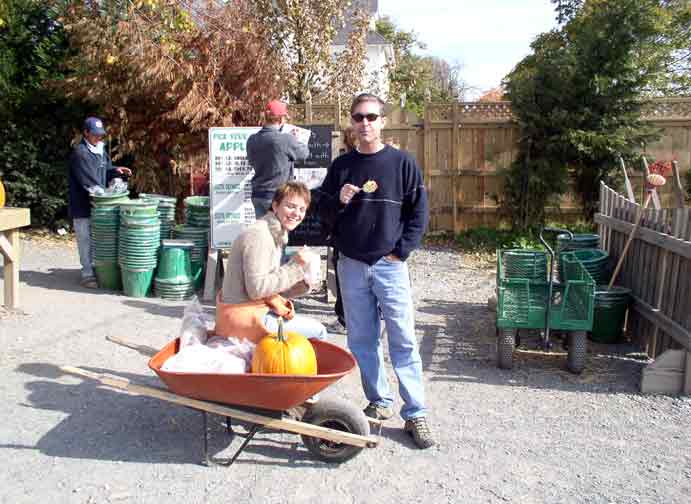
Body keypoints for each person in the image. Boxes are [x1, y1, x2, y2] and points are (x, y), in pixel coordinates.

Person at [317, 93, 434, 449]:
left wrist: (401, 252)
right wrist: (339, 199)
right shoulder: (341, 167)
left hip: (389, 266)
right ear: (351, 123)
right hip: (352, 265)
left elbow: (419, 212)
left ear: (382, 121)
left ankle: (415, 412)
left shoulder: (402, 163)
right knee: (362, 340)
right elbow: (322, 212)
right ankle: (380, 401)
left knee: (402, 339)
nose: (364, 123)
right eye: (358, 117)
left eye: (371, 117)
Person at [217, 181, 327, 342]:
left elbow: (268, 288)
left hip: (250, 310)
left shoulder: (274, 233)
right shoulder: (259, 236)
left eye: (302, 209)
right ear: (275, 206)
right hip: (243, 316)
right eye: (291, 206)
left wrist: (304, 282)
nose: (297, 213)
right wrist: (296, 267)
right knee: (319, 331)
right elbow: (257, 290)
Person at [68, 117, 132, 288]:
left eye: (100, 135)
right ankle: (87, 274)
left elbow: (106, 170)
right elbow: (90, 182)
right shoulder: (80, 153)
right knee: (85, 239)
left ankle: (97, 269)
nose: (98, 138)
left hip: (99, 205)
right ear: (86, 133)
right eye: (95, 135)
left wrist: (116, 171)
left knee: (99, 240)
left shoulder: (100, 151)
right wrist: (106, 196)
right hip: (83, 205)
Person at [247, 100, 310, 219]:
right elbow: (304, 153)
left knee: (263, 231)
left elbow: (251, 161)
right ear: (281, 119)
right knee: (278, 233)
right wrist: (296, 139)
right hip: (278, 195)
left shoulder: (252, 140)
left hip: (257, 194)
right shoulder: (285, 139)